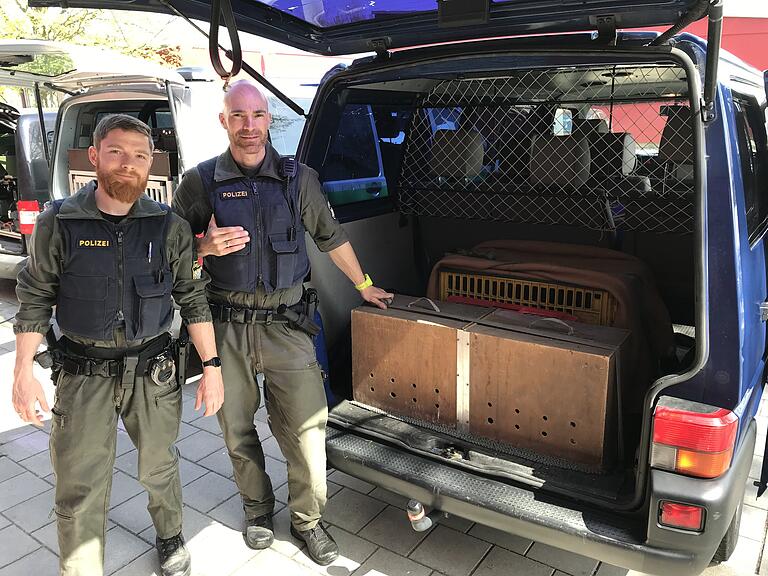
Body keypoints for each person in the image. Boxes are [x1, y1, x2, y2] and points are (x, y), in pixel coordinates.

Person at [172, 80, 392, 566]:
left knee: (308, 432)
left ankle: (307, 519)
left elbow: (331, 237)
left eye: (257, 116)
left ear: (269, 120)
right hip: (225, 327)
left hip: (288, 326)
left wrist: (364, 285)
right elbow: (169, 252)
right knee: (236, 428)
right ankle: (256, 510)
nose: (249, 127)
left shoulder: (300, 179)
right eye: (238, 116)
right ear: (223, 121)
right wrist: (203, 249)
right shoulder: (200, 181)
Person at [12, 114, 224, 576]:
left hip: (154, 374)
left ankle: (170, 535)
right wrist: (22, 373)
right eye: (116, 152)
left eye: (140, 156)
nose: (128, 164)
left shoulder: (169, 227)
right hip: (82, 375)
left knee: (159, 465)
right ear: (94, 157)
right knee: (79, 479)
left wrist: (212, 366)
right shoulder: (59, 221)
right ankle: (80, 564)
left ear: (152, 165)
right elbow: (34, 300)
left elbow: (192, 298)